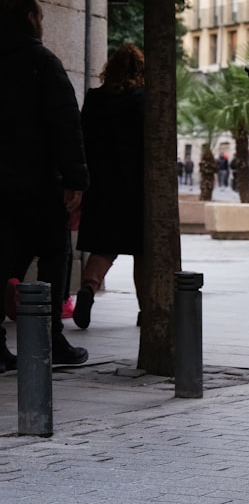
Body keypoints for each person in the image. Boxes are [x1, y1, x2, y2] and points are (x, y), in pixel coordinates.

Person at [0, 0, 89, 369]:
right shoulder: (43, 62)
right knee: (55, 256)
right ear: (28, 18)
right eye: (40, 16)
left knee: (5, 260)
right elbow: (65, 126)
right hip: (38, 183)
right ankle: (51, 338)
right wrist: (76, 179)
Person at [73, 43, 145, 329]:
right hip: (135, 187)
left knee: (104, 247)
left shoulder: (95, 98)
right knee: (143, 251)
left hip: (101, 186)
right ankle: (146, 309)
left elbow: (82, 138)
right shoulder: (142, 99)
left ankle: (88, 289)